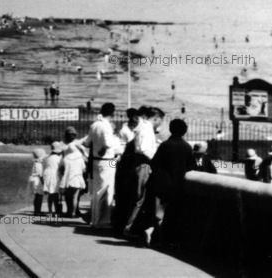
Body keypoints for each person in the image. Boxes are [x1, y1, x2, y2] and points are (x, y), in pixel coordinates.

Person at [144, 118, 194, 246]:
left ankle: (154, 234)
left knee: (159, 213)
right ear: (184, 131)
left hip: (162, 183)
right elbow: (191, 167)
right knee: (173, 214)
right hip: (178, 185)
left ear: (171, 129)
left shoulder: (165, 145)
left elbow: (154, 163)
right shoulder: (187, 147)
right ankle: (167, 239)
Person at [123, 106, 164, 238]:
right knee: (139, 199)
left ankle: (129, 227)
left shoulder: (142, 127)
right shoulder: (147, 129)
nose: (161, 124)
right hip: (144, 165)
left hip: (137, 164)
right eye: (160, 121)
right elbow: (145, 149)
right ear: (156, 118)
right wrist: (156, 160)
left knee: (136, 197)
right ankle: (129, 229)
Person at [83, 102, 122, 228]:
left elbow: (87, 143)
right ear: (112, 113)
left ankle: (94, 220)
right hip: (107, 160)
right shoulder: (106, 126)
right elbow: (108, 143)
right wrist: (103, 148)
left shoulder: (95, 124)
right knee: (107, 189)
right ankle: (103, 221)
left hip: (95, 160)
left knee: (96, 189)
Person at [59, 127, 87, 218]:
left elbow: (84, 152)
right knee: (74, 193)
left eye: (73, 134)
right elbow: (84, 153)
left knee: (70, 193)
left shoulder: (65, 144)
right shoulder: (69, 144)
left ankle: (71, 210)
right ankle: (73, 211)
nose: (72, 136)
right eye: (70, 134)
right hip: (74, 167)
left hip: (70, 167)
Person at [43, 142, 64, 217]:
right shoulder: (60, 159)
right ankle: (57, 211)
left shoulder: (46, 158)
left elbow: (44, 167)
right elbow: (61, 170)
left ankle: (50, 211)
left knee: (50, 195)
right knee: (56, 195)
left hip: (48, 176)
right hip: (55, 176)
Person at [28, 149, 46, 215]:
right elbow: (40, 175)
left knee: (37, 196)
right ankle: (38, 211)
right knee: (39, 196)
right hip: (37, 180)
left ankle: (37, 210)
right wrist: (44, 183)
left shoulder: (35, 163)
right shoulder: (38, 164)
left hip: (34, 179)